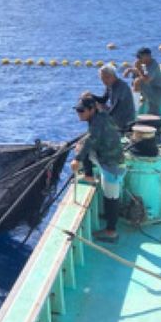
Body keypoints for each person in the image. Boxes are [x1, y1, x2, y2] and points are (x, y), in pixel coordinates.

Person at [70, 95, 126, 243]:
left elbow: (90, 141)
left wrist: (77, 160)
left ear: (91, 110)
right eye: (77, 110)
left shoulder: (96, 124)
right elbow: (89, 139)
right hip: (108, 158)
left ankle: (111, 232)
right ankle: (88, 175)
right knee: (82, 146)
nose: (79, 114)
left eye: (82, 111)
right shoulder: (101, 116)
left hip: (112, 165)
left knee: (111, 198)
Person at [93, 65, 136, 131]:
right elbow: (103, 99)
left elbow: (116, 105)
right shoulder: (109, 85)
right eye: (102, 79)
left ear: (113, 76)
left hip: (126, 121)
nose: (104, 81)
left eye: (106, 78)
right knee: (99, 105)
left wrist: (105, 117)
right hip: (116, 117)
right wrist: (91, 96)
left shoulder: (122, 86)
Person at [123, 47, 161, 115]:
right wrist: (129, 70)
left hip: (156, 93)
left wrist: (138, 68)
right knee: (135, 77)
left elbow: (147, 79)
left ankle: (135, 107)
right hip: (149, 89)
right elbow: (143, 72)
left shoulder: (153, 64)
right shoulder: (144, 64)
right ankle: (138, 99)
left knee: (138, 81)